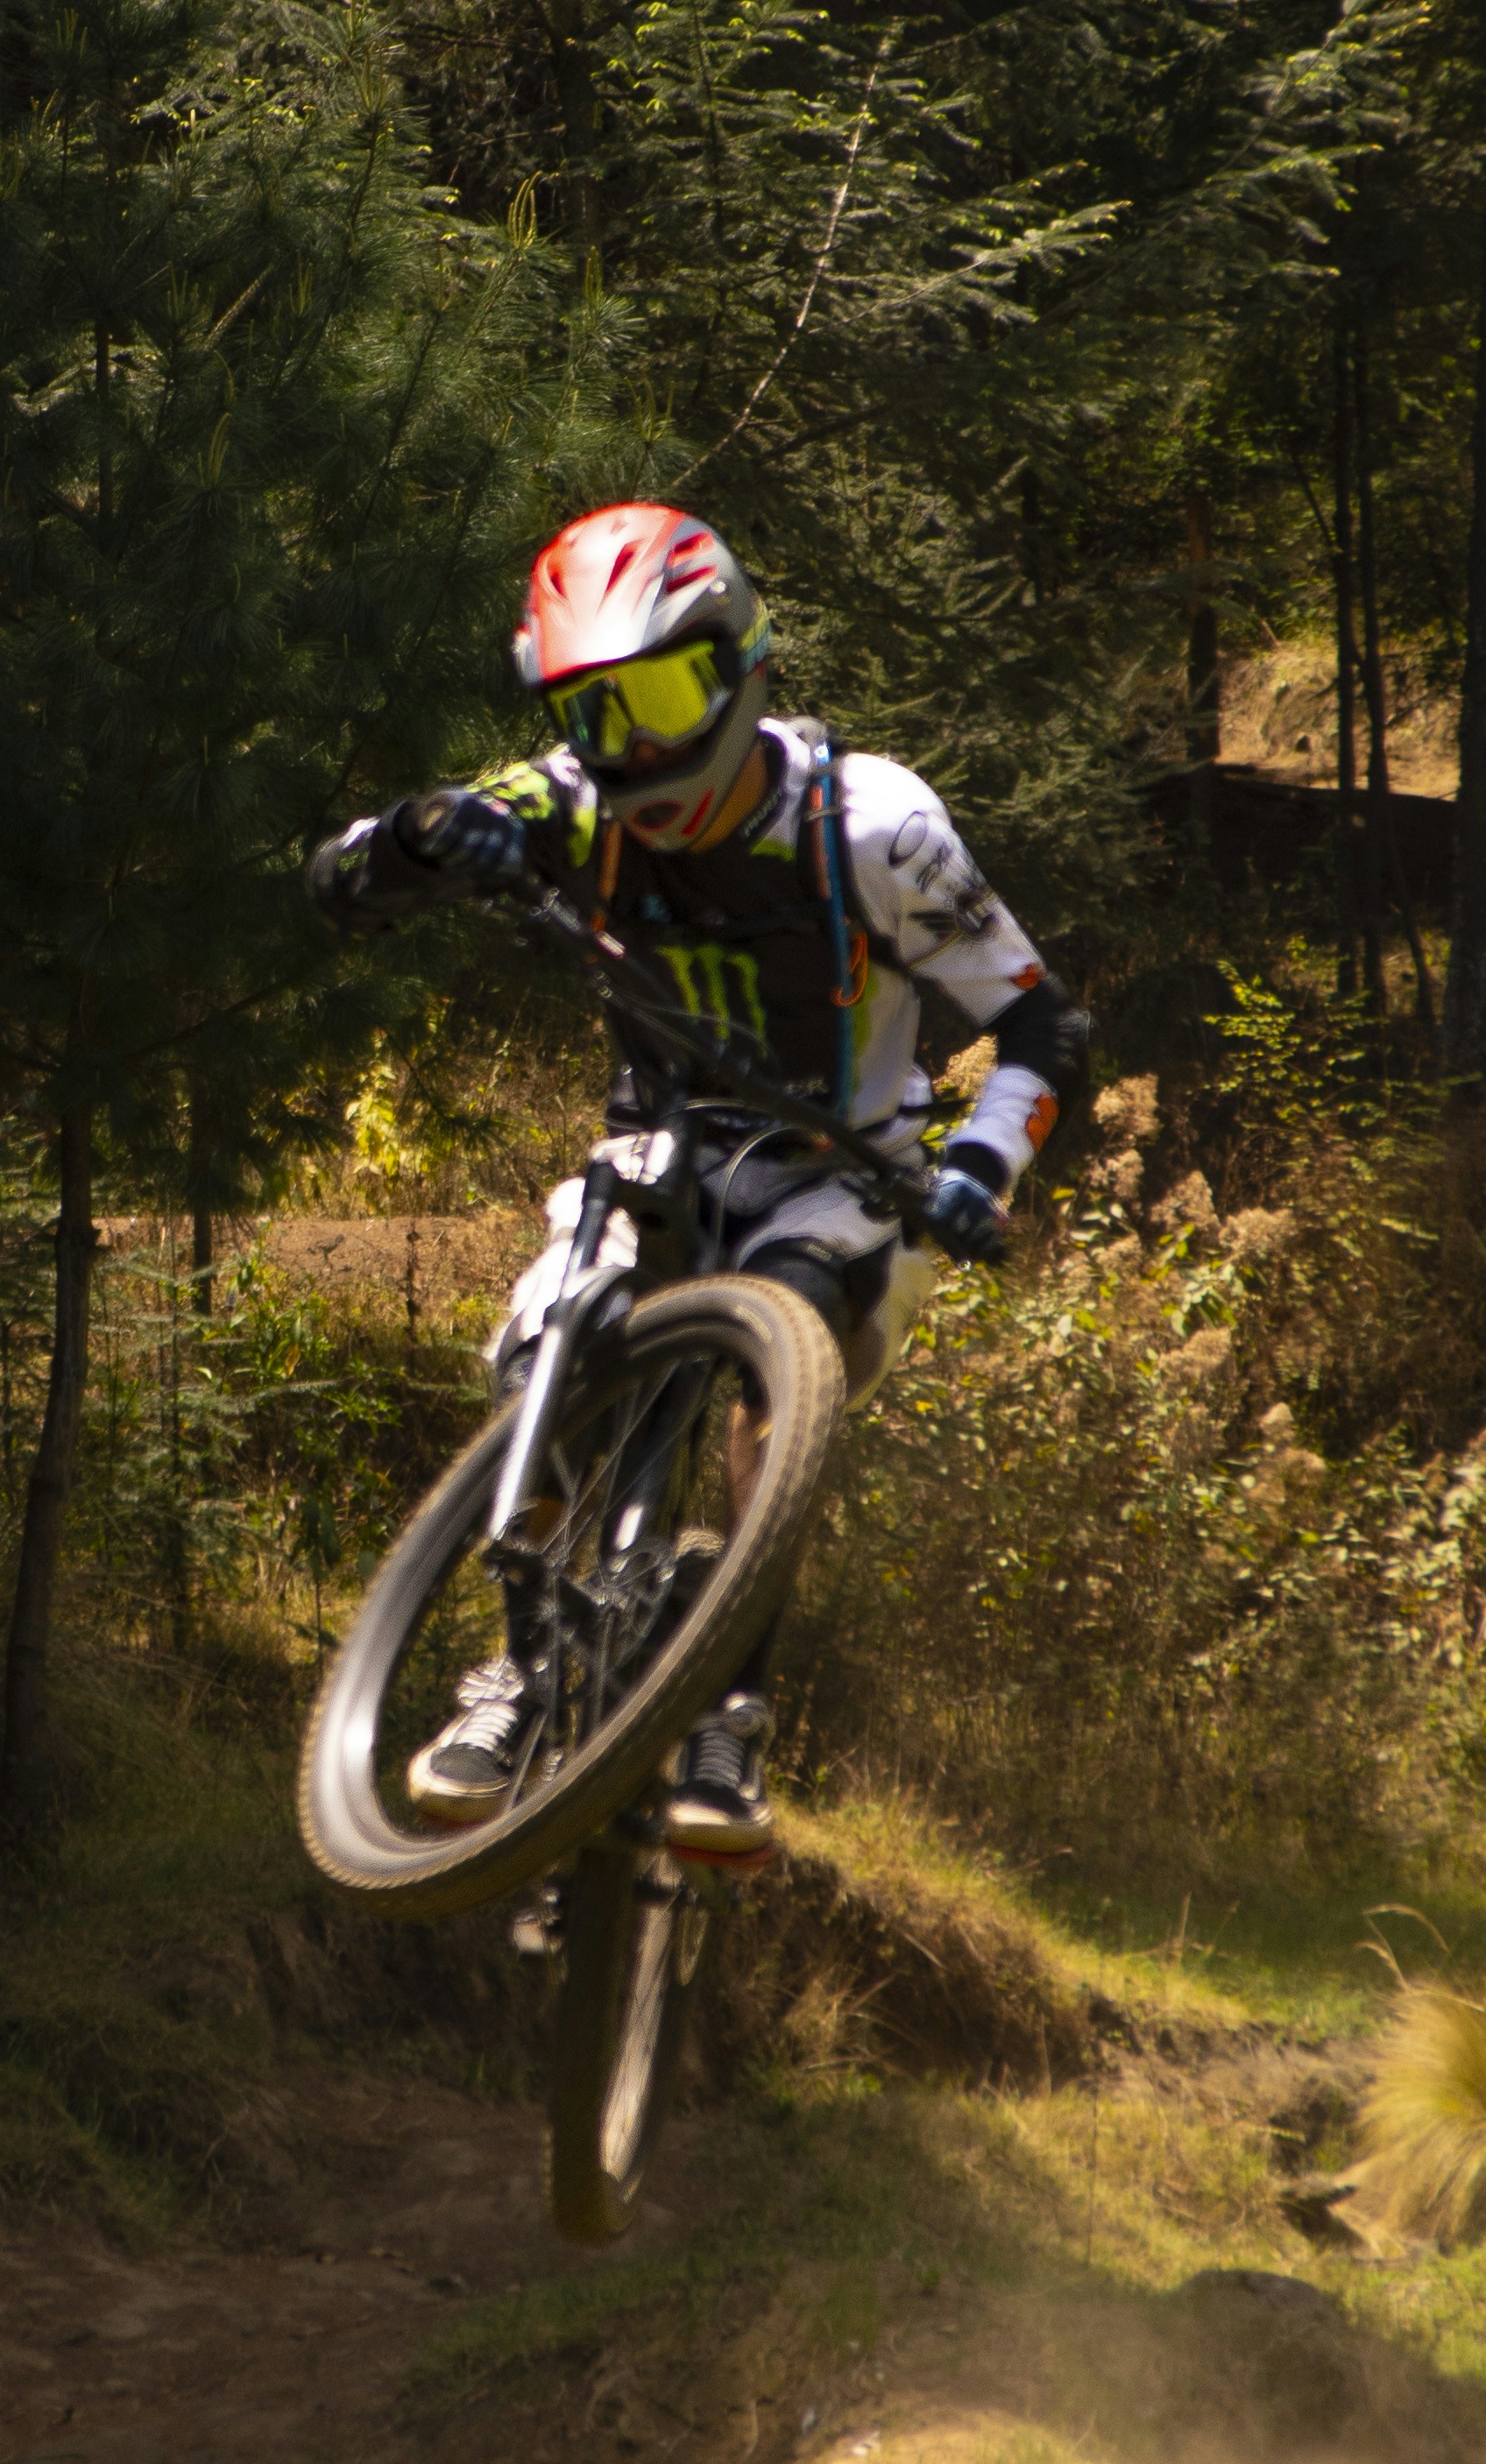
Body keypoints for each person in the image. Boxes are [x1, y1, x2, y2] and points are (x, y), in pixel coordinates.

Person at [306, 499, 1083, 1867]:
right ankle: (518, 1669)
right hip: (656, 1150)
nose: (640, 751)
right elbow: (348, 870)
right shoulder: (575, 800)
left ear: (742, 665)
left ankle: (728, 1712)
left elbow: (1039, 1027)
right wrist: (433, 832)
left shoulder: (875, 826)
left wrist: (982, 1166)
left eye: (666, 696)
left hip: (847, 1171)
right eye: (599, 715)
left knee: (790, 1363)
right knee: (546, 1350)